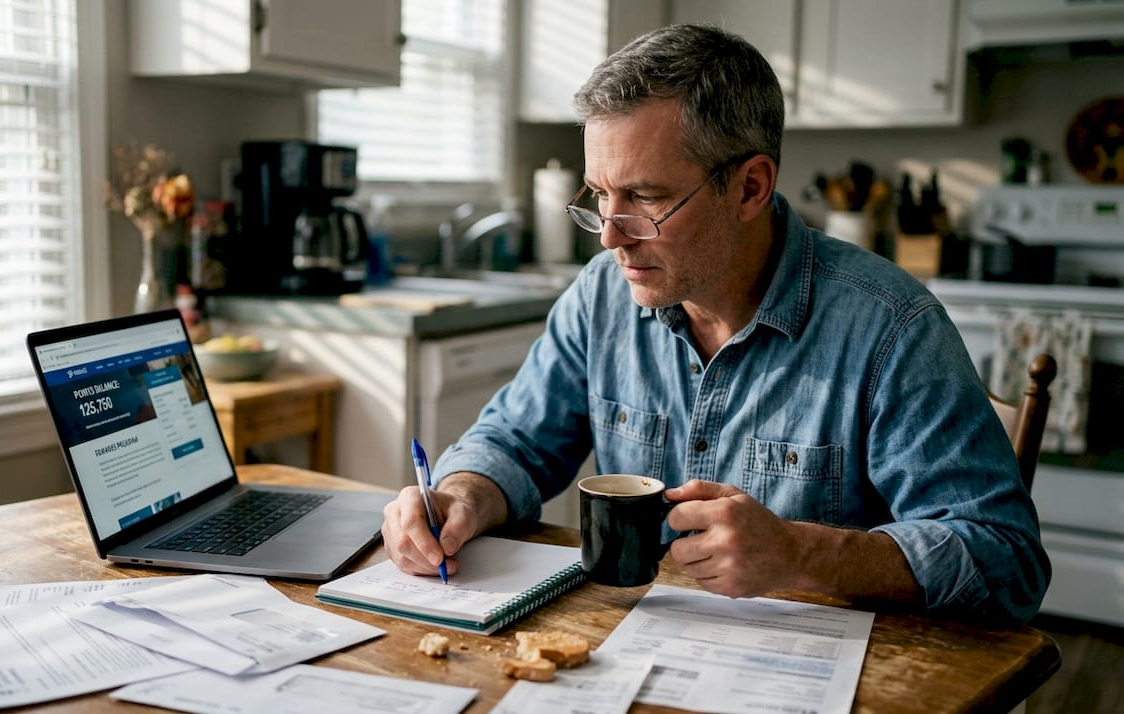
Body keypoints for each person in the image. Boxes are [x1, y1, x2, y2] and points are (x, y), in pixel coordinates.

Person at [380, 24, 1050, 621]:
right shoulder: (601, 296)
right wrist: (459, 495)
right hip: (639, 650)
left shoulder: (891, 328)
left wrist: (802, 553)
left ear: (751, 188)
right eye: (598, 197)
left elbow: (1007, 560)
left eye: (644, 197)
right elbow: (516, 441)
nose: (610, 238)